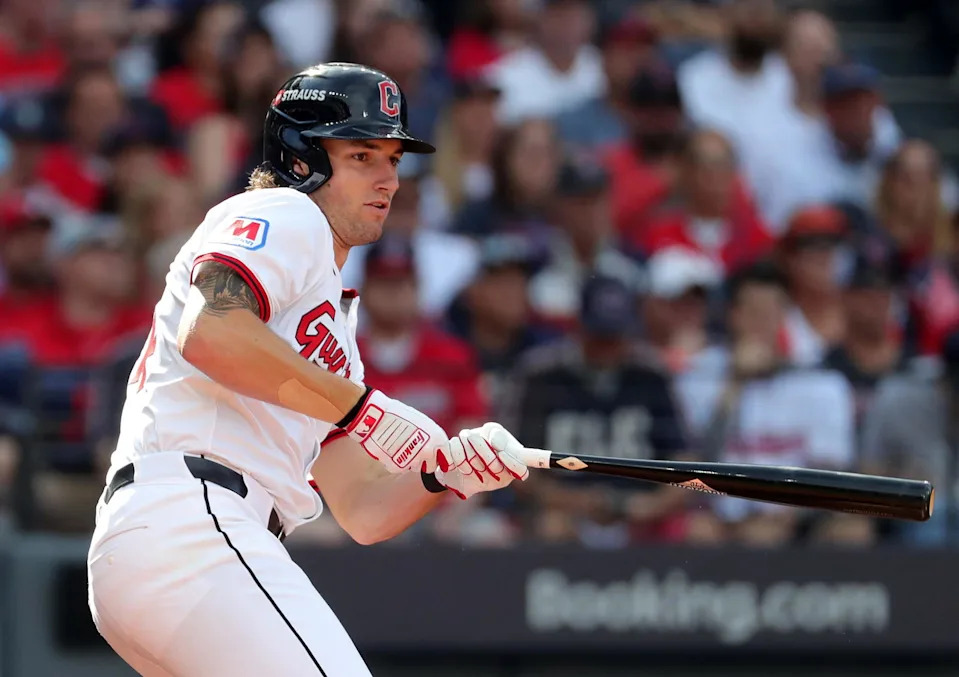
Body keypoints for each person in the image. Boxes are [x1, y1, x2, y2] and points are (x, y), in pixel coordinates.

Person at [86, 62, 535, 677]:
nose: (387, 179)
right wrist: (363, 409)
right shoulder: (289, 213)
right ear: (302, 160)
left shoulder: (326, 323)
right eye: (362, 156)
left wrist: (448, 472)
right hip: (194, 523)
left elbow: (362, 509)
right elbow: (210, 331)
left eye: (394, 160)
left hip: (187, 545)